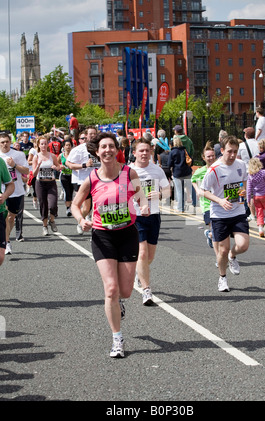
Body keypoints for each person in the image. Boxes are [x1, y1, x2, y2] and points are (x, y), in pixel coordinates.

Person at [71, 132, 149, 358]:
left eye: (111, 146)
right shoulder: (92, 178)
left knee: (125, 290)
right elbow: (76, 205)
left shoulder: (129, 172)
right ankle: (117, 339)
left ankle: (119, 303)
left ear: (117, 150)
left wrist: (142, 206)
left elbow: (140, 196)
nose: (107, 150)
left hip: (127, 234)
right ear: (97, 152)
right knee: (111, 290)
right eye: (103, 147)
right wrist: (80, 219)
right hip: (102, 236)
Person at [200, 135, 249, 293]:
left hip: (238, 211)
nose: (233, 155)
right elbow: (204, 191)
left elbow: (245, 181)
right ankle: (222, 277)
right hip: (220, 214)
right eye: (230, 151)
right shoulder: (214, 169)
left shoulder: (241, 164)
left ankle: (233, 256)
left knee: (243, 245)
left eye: (235, 151)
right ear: (222, 151)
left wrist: (243, 192)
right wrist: (219, 201)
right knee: (222, 250)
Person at [130, 137, 170, 305]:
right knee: (143, 253)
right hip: (136, 216)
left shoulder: (157, 170)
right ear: (134, 153)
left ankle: (141, 273)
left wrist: (160, 195)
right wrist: (137, 198)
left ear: (151, 152)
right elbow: (121, 192)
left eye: (147, 150)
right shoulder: (128, 171)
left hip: (153, 215)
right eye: (141, 150)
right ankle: (147, 291)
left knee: (150, 257)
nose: (145, 153)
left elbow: (168, 190)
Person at [0, 133, 29, 254]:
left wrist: (14, 165)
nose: (5, 144)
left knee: (12, 218)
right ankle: (6, 242)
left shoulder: (18, 154)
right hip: (3, 192)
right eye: (2, 142)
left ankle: (7, 237)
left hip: (16, 191)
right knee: (6, 217)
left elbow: (27, 170)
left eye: (6, 141)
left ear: (10, 142)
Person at [66, 126, 98, 234]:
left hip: (99, 181)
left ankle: (96, 229)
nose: (93, 136)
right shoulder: (78, 149)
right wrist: (84, 165)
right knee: (87, 207)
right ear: (86, 135)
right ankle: (81, 220)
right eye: (90, 134)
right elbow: (68, 164)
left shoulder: (100, 147)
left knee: (98, 206)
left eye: (94, 133)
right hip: (84, 181)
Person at [32, 137, 61, 236]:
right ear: (39, 145)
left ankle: (52, 220)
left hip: (51, 183)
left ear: (47, 144)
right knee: (43, 204)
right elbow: (34, 174)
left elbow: (58, 167)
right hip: (40, 183)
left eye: (45, 144)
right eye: (42, 144)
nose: (43, 146)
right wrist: (38, 166)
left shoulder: (52, 156)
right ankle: (44, 226)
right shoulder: (36, 157)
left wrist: (55, 167)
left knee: (53, 204)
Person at [192, 141, 216, 248]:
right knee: (215, 229)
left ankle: (209, 234)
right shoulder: (200, 171)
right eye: (208, 156)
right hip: (206, 204)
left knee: (218, 231)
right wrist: (197, 189)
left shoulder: (219, 168)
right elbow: (193, 180)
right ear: (203, 158)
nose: (210, 158)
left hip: (219, 203)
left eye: (212, 156)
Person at [247, 158, 265, 237]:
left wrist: (248, 199)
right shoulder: (263, 172)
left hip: (256, 196)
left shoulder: (250, 175)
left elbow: (249, 189)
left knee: (259, 212)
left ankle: (260, 229)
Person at [168, 136, 195, 213]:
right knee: (191, 188)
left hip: (177, 173)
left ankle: (181, 208)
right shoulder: (184, 150)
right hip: (187, 172)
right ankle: (195, 204)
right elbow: (190, 160)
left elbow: (169, 164)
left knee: (180, 191)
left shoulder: (172, 152)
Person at [0, 156, 15, 266]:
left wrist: (4, 196)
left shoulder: (0, 162)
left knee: (0, 257)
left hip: (0, 211)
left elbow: (10, 184)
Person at [58, 138, 74, 217]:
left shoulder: (74, 155)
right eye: (66, 145)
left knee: (71, 192)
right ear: (63, 147)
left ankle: (71, 206)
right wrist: (60, 166)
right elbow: (57, 164)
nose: (68, 147)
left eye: (69, 145)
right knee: (67, 192)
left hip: (73, 176)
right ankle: (68, 208)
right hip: (64, 176)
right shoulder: (61, 155)